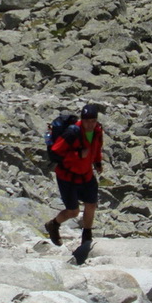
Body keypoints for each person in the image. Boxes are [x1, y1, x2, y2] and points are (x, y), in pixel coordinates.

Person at [44, 103, 104, 265]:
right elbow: (55, 152)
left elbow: (96, 148)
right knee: (73, 211)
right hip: (68, 176)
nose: (90, 124)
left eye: (93, 120)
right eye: (87, 121)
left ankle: (87, 234)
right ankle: (53, 225)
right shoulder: (73, 132)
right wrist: (77, 154)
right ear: (82, 120)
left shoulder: (98, 130)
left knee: (91, 204)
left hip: (86, 175)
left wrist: (97, 163)